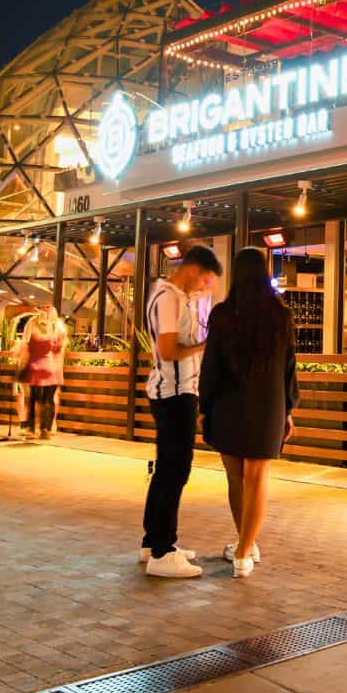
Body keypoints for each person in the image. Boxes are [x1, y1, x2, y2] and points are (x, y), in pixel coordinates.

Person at [200, 247, 299, 580]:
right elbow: (289, 369)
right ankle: (245, 550)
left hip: (228, 403)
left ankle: (245, 543)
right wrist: (288, 409)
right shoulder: (280, 315)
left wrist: (205, 406)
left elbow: (210, 366)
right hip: (269, 405)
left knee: (235, 476)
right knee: (257, 478)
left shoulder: (224, 315)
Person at [139, 245, 221, 578]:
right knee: (176, 470)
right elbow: (169, 350)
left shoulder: (169, 295)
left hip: (174, 392)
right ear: (191, 269)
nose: (204, 286)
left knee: (166, 470)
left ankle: (153, 542)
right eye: (204, 278)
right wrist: (207, 344)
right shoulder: (169, 297)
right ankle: (163, 550)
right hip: (175, 393)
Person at [21, 304, 66, 440]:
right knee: (44, 399)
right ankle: (41, 429)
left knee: (38, 399)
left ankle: (36, 429)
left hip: (41, 368)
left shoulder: (37, 324)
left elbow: (26, 344)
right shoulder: (58, 327)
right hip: (49, 368)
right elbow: (60, 348)